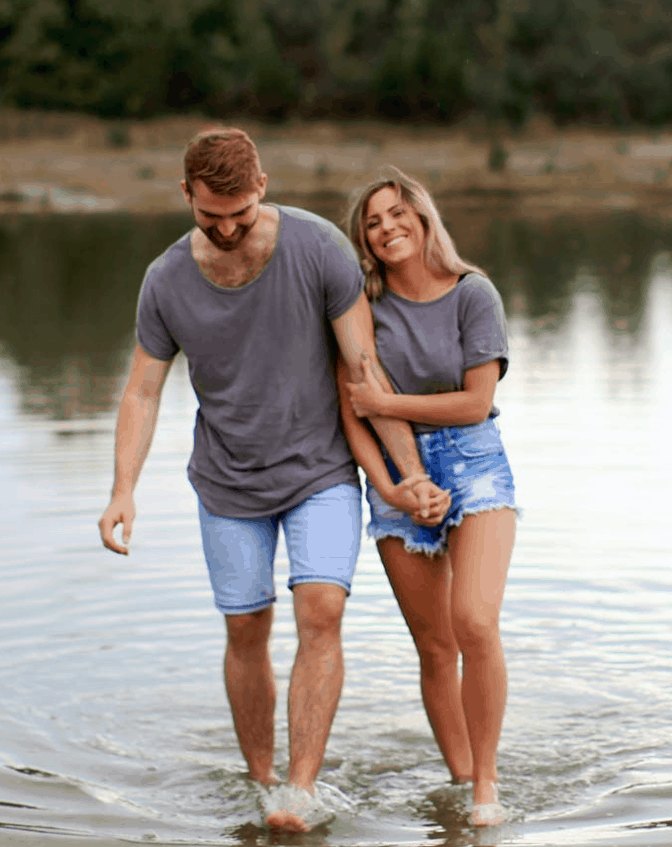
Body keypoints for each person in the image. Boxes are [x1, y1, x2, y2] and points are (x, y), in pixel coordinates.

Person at [97, 129, 450, 833]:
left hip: (319, 467)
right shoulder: (165, 280)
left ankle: (299, 788)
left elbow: (364, 371)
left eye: (239, 212)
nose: (226, 228)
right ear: (186, 195)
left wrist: (407, 477)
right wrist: (122, 488)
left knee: (322, 609)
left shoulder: (319, 249)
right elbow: (142, 390)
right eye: (209, 216)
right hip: (226, 481)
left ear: (261, 184)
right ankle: (262, 782)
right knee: (245, 627)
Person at [337, 166, 519, 827]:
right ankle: (463, 776)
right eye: (372, 222)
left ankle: (487, 788)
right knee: (436, 646)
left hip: (476, 465)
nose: (386, 228)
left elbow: (477, 401)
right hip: (394, 478)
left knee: (474, 620)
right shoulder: (361, 308)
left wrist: (389, 400)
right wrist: (391, 486)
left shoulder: (474, 294)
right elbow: (350, 412)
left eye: (395, 213)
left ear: (422, 215)